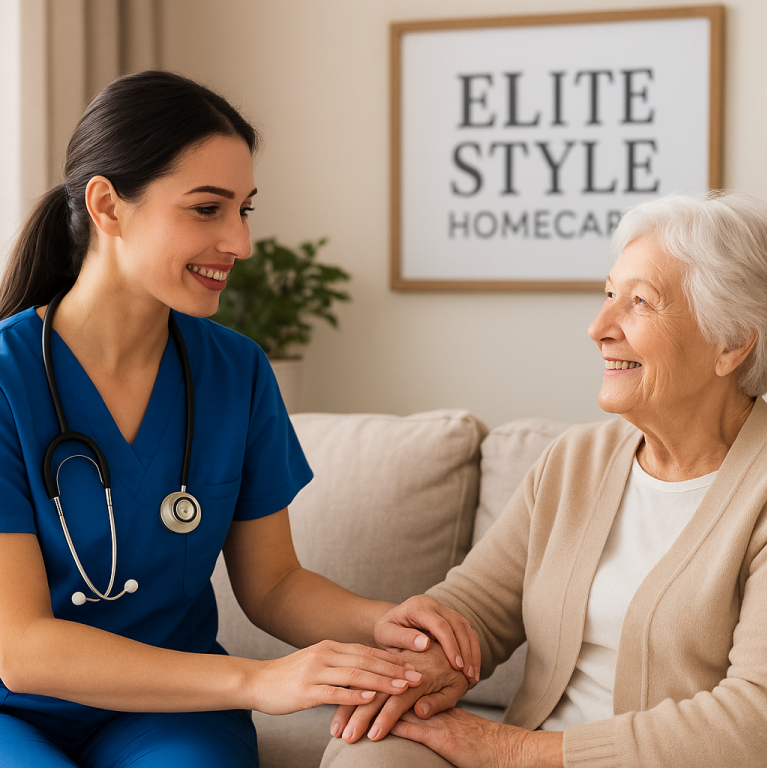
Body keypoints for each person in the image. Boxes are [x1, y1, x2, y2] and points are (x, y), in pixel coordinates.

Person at [0, 71, 479, 768]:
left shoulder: (236, 372)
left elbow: (274, 584)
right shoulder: (10, 380)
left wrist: (380, 620)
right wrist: (259, 680)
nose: (240, 243)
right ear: (107, 206)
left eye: (244, 210)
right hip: (17, 711)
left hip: (175, 714)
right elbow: (21, 650)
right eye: (206, 209)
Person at [322, 191, 767, 768]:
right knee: (370, 750)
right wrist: (420, 666)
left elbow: (755, 720)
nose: (598, 327)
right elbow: (475, 608)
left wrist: (511, 750)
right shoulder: (576, 461)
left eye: (639, 303)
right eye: (608, 295)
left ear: (731, 341)